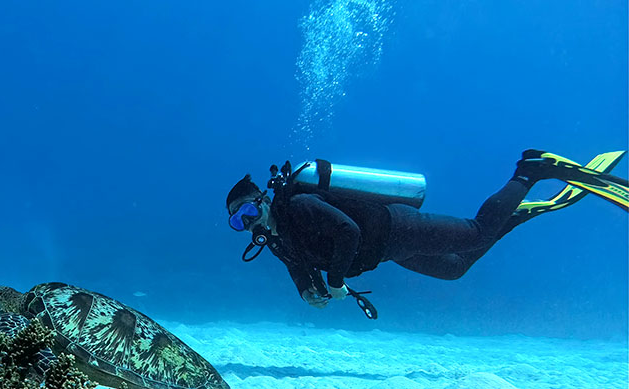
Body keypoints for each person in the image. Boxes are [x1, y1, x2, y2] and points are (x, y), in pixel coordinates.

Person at [225, 150, 627, 313]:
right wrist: (304, 289)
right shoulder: (276, 238)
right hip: (385, 250)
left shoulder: (298, 205)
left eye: (245, 211)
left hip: (395, 226)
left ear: (260, 199)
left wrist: (332, 281)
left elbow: (347, 232)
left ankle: (530, 170)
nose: (247, 223)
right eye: (237, 221)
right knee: (454, 269)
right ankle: (516, 214)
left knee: (474, 232)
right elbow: (296, 264)